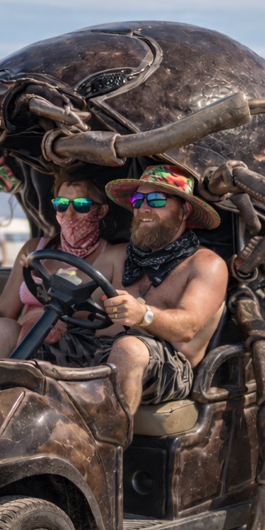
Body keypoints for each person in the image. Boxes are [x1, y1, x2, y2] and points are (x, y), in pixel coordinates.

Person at [35, 164, 228, 417]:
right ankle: (6, 423)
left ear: (184, 210)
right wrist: (58, 317)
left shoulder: (206, 264)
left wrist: (143, 315)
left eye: (157, 200)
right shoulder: (118, 255)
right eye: (138, 200)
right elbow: (77, 293)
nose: (143, 208)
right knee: (15, 333)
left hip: (166, 365)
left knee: (128, 348)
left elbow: (188, 327)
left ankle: (104, 439)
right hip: (95, 347)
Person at [0, 171, 117, 358]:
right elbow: (2, 309)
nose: (69, 213)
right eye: (62, 204)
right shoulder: (34, 248)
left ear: (102, 210)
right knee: (0, 327)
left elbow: (112, 317)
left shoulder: (111, 255)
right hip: (24, 336)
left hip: (74, 346)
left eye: (81, 205)